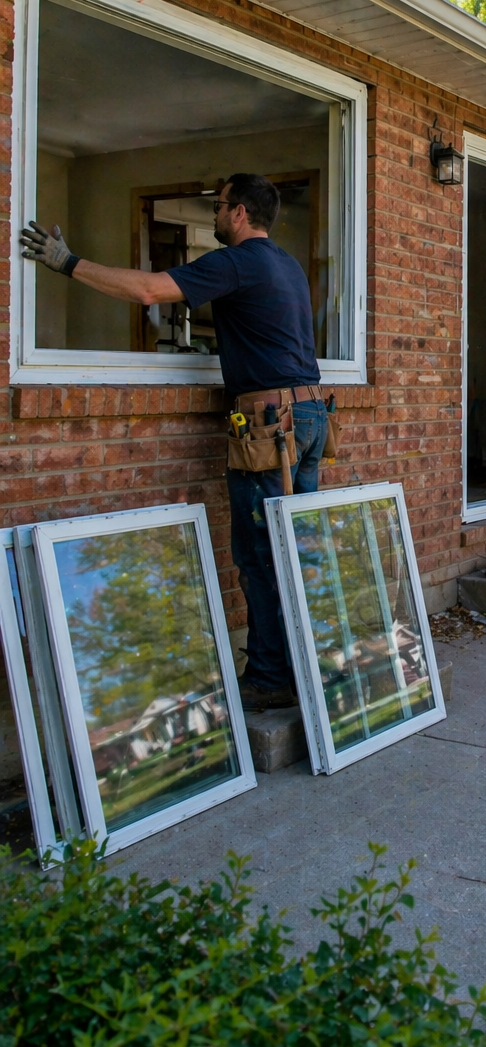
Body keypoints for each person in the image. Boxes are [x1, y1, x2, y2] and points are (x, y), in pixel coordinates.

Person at [20, 173, 328, 709]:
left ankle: (272, 679)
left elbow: (147, 290)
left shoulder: (236, 261)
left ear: (238, 214)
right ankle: (308, 666)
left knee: (259, 554)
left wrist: (66, 262)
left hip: (269, 425)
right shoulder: (286, 264)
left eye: (219, 205)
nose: (214, 215)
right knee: (294, 549)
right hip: (308, 415)